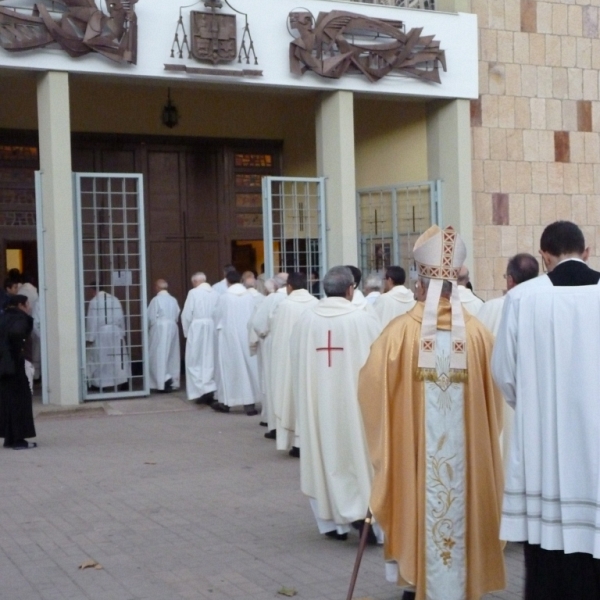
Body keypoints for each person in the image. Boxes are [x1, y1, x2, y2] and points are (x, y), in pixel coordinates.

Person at [359, 225, 505, 600]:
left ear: (422, 285)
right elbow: (497, 401)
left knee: (418, 496)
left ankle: (419, 578)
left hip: (416, 458)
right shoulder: (478, 336)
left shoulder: (397, 335)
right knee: (462, 500)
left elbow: (370, 389)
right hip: (467, 460)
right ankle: (464, 580)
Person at [492, 221, 600, 600]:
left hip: (546, 457)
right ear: (585, 252)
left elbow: (504, 373)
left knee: (548, 559)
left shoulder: (523, 298)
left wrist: (535, 410)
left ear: (544, 256)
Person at [291, 266, 382, 540]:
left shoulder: (306, 321)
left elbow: (297, 364)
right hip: (355, 406)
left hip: (318, 404)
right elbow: (378, 366)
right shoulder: (362, 320)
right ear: (350, 289)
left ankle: (332, 525)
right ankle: (367, 519)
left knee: (323, 454)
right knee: (358, 456)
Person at [477, 253, 539, 469]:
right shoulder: (543, 307)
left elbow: (478, 350)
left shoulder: (491, 308)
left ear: (510, 279)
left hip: (498, 394)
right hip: (532, 397)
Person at [269, 272, 318, 456]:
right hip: (308, 359)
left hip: (287, 360)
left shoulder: (284, 305)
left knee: (288, 397)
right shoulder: (315, 303)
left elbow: (275, 328)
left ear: (289, 287)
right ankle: (305, 441)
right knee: (306, 398)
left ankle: (293, 441)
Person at [212, 270, 260, 415]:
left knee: (230, 369)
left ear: (227, 281)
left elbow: (217, 316)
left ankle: (227, 403)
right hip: (246, 335)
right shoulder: (249, 296)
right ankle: (250, 404)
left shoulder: (224, 297)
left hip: (229, 338)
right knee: (249, 368)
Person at [249, 273, 288, 433]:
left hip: (273, 344)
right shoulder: (303, 300)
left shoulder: (271, 299)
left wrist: (257, 340)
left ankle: (271, 420)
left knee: (271, 381)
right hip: (293, 345)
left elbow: (258, 324)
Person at [0, 294, 36, 449]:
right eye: (27, 304)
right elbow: (17, 335)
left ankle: (10, 438)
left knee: (7, 400)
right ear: (21, 305)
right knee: (20, 400)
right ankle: (18, 439)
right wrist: (18, 351)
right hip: (14, 365)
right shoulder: (20, 318)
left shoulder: (4, 317)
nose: (29, 307)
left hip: (4, 365)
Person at [181, 272, 218, 403]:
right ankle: (211, 387)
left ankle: (200, 390)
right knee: (210, 359)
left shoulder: (193, 293)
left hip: (197, 328)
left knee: (194, 360)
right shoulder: (215, 293)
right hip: (212, 327)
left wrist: (186, 332)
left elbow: (186, 314)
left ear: (196, 282)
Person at [85, 285, 130, 390]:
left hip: (102, 332)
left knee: (101, 357)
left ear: (93, 290)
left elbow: (92, 321)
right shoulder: (115, 299)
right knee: (119, 357)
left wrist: (90, 337)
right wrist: (122, 332)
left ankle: (102, 384)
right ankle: (122, 381)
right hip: (116, 331)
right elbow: (120, 316)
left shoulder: (94, 301)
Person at [147, 279, 180, 392]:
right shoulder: (173, 300)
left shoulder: (156, 300)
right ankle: (172, 379)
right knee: (171, 355)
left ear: (157, 287)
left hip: (160, 327)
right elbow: (177, 314)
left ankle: (163, 380)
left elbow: (150, 317)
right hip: (172, 326)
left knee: (157, 355)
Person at [18, 274, 40, 380]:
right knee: (35, 350)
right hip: (34, 321)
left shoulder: (20, 291)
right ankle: (36, 375)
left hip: (24, 321)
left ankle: (33, 375)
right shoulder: (35, 291)